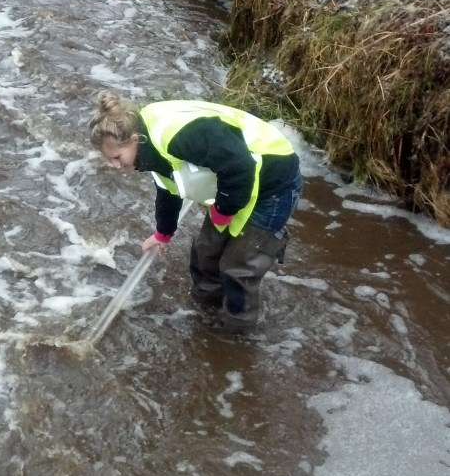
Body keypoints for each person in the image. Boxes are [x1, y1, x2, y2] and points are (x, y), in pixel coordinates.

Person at [89, 90, 303, 331]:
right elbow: (168, 188)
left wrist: (222, 211)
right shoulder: (148, 144)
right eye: (110, 160)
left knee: (239, 268)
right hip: (235, 185)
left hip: (273, 181)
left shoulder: (179, 136)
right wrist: (163, 233)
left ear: (134, 139)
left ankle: (235, 336)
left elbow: (240, 168)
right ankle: (204, 313)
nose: (115, 165)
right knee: (206, 251)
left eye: (116, 157)